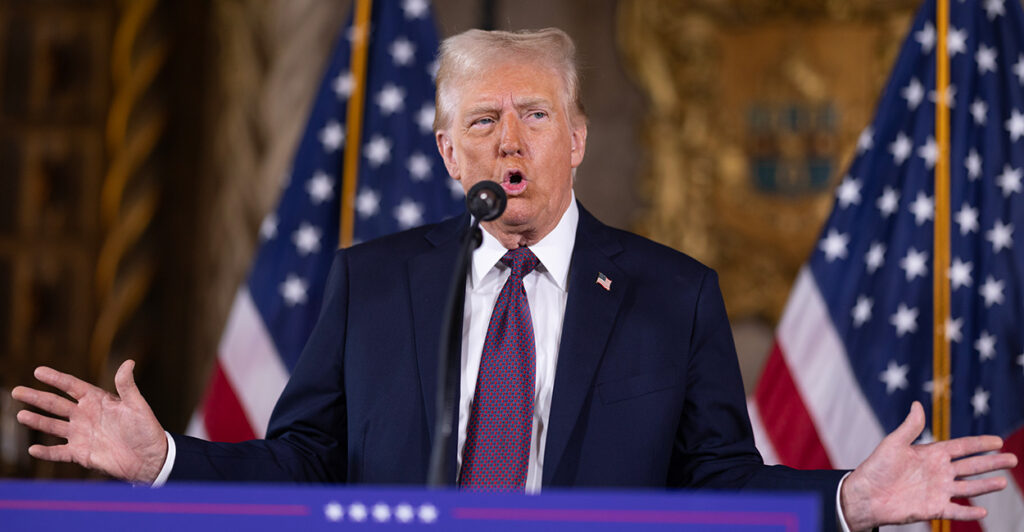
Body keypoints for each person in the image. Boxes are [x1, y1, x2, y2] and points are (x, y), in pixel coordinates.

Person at [11, 28, 1016, 532]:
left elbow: (716, 484)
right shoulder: (374, 284)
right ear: (450, 155)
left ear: (577, 139)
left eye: (534, 115)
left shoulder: (673, 294)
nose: (509, 141)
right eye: (482, 123)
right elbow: (307, 462)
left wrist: (847, 498)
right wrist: (164, 465)